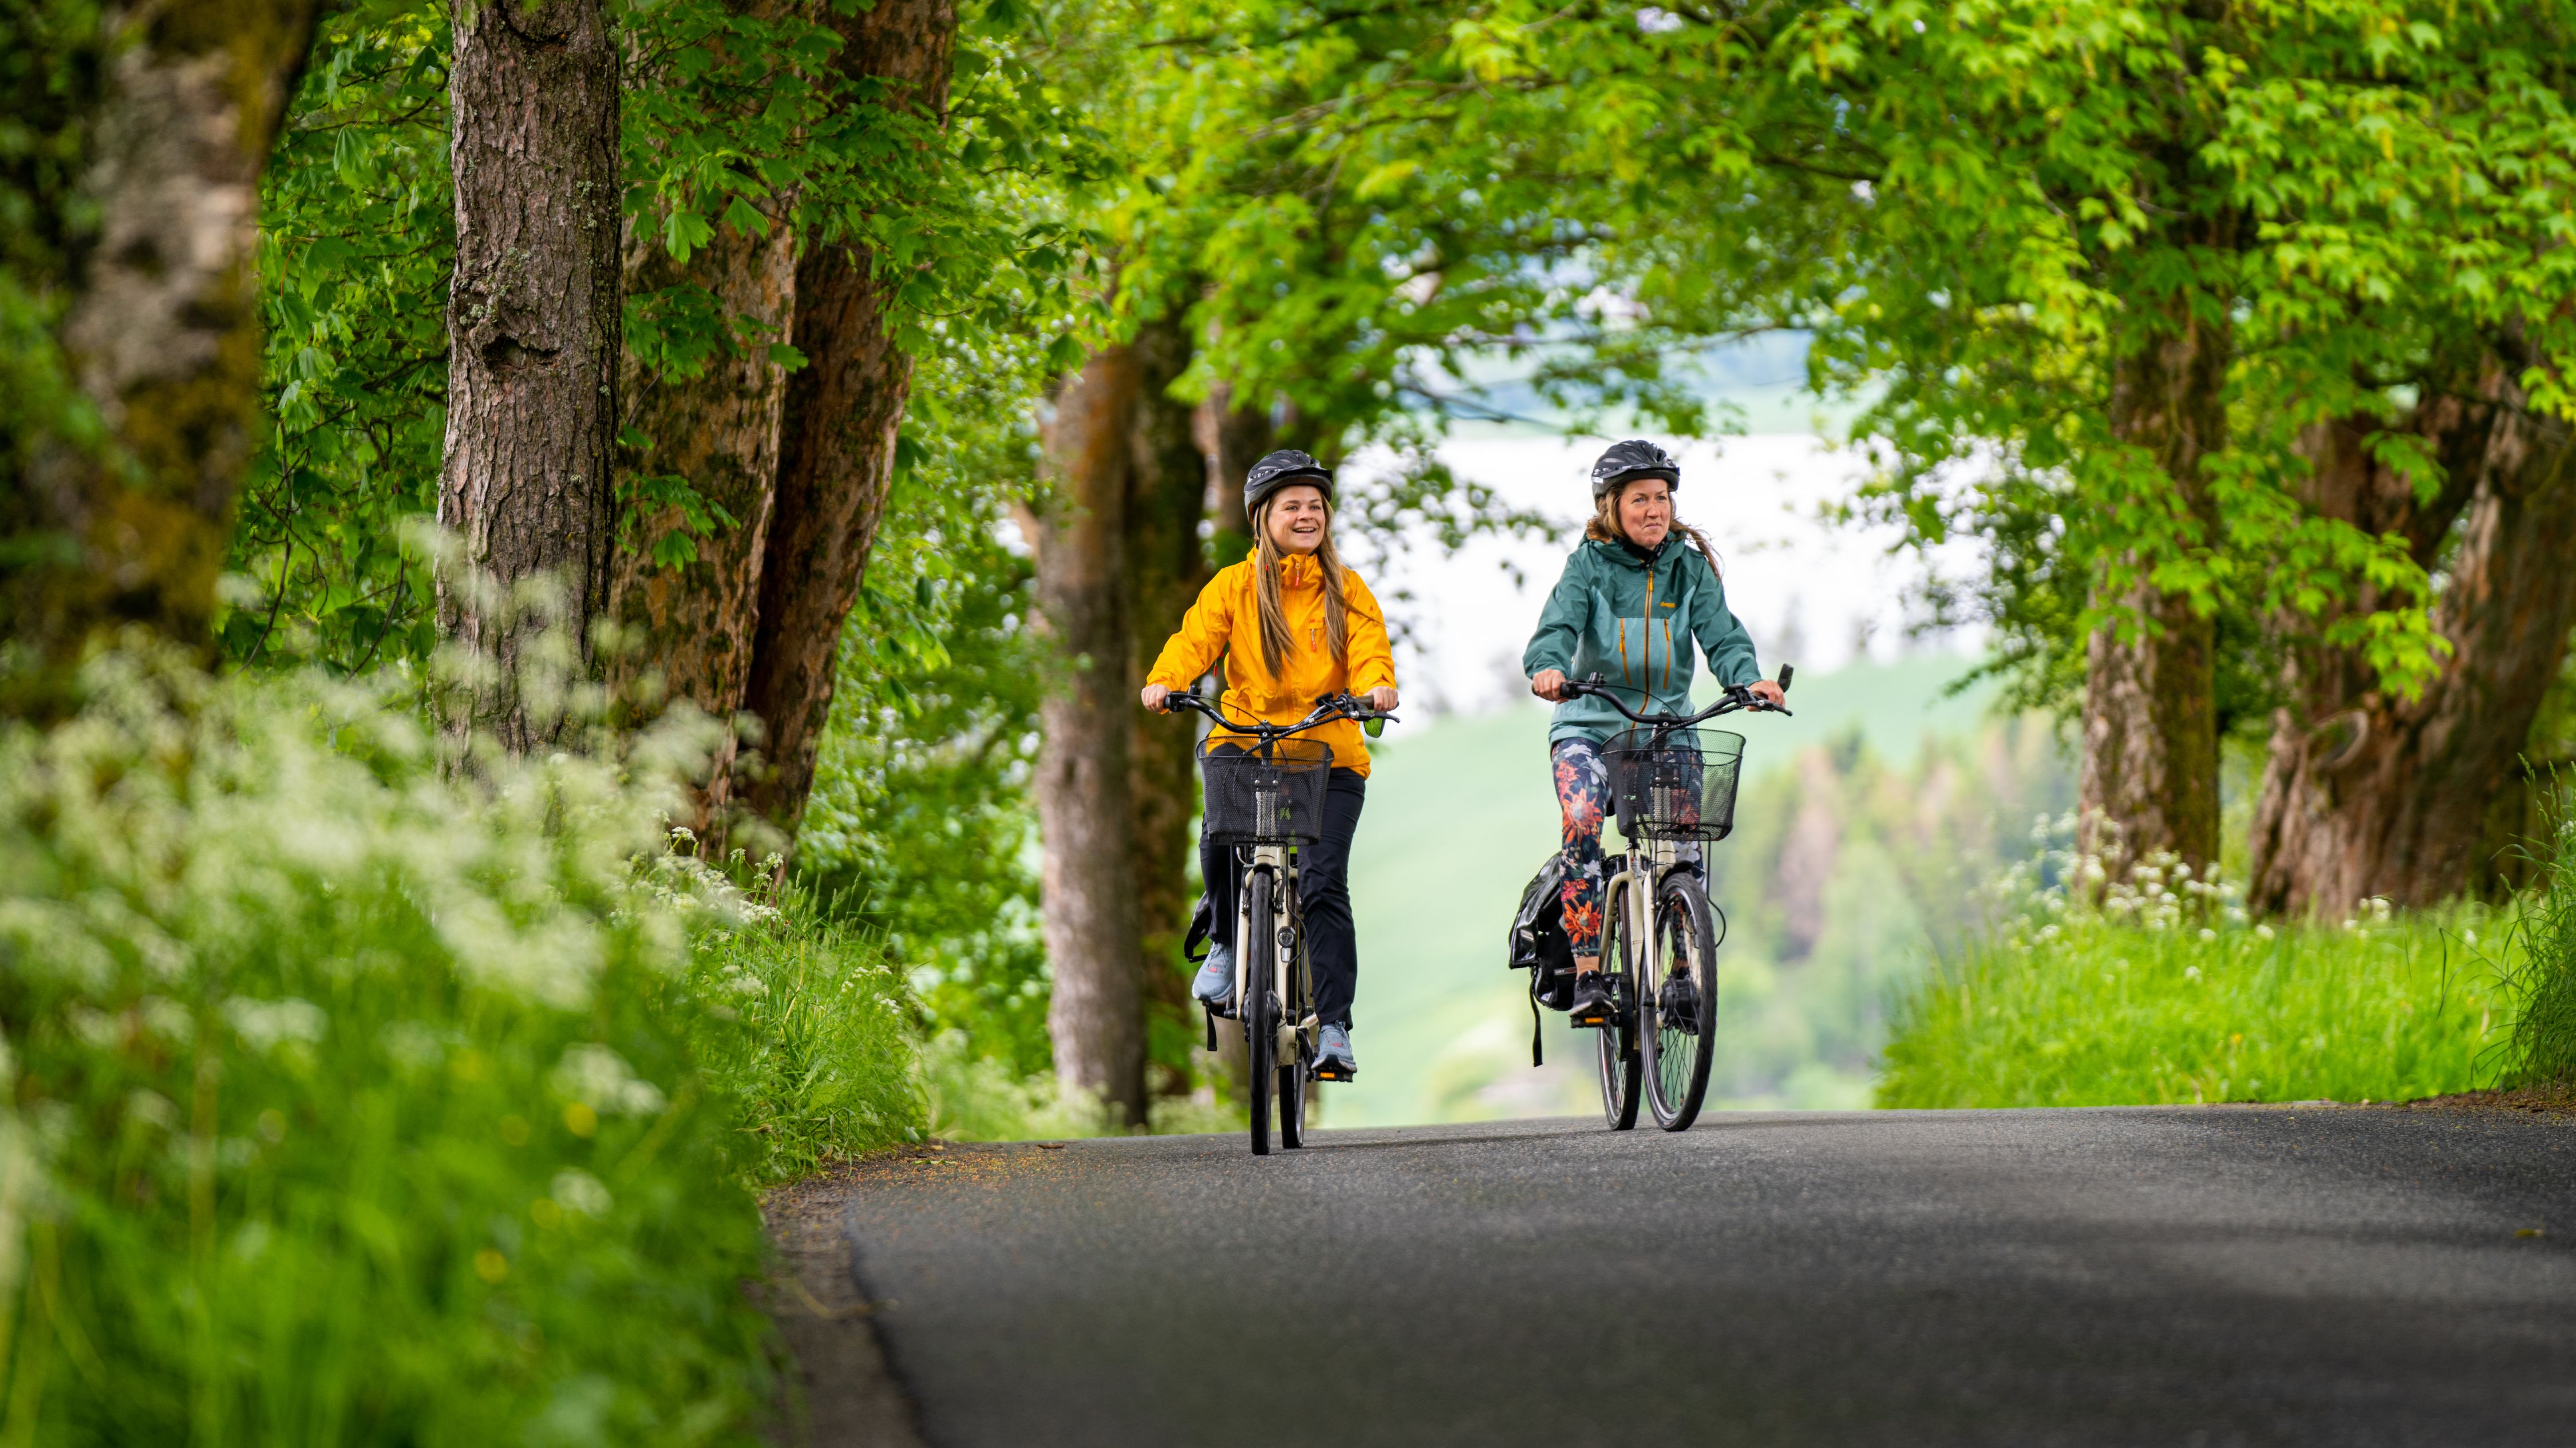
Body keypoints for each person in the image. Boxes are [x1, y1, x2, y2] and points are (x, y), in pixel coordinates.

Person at [1140, 449, 1398, 1079]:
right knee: (1218, 835)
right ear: (1264, 518)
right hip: (1249, 740)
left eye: (1316, 506)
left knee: (1322, 880)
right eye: (1293, 506)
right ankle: (1228, 942)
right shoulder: (1233, 586)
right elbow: (1193, 640)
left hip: (1327, 751)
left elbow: (1369, 650)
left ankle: (1333, 1026)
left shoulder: (1347, 588)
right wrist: (1165, 681)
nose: (1307, 515)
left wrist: (1377, 687)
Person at [1522, 440, 1785, 1027]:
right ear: (1611, 507)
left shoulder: (1688, 569)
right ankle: (1589, 970)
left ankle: (1681, 975)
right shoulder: (1586, 566)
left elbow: (1723, 636)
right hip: (1589, 726)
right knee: (1584, 818)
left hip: (1668, 728)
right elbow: (1557, 628)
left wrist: (1749, 681)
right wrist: (1549, 669)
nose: (1654, 509)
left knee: (1684, 850)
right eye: (1639, 498)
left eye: (1662, 497)